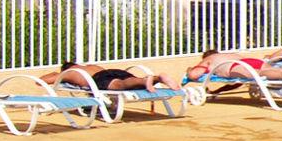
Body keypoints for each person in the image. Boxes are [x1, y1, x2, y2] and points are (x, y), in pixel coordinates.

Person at [44, 60, 180, 95]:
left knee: (121, 86)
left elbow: (42, 81)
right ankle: (156, 78)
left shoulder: (69, 73)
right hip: (112, 71)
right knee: (129, 82)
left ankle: (146, 80)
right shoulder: (91, 66)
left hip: (99, 79)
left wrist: (57, 73)